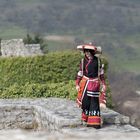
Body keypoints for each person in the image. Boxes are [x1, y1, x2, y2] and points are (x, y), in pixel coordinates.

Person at [75, 43, 106, 129]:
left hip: (94, 84)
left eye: (89, 51)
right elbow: (80, 73)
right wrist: (77, 83)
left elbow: (101, 74)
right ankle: (85, 118)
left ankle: (94, 123)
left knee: (94, 103)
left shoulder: (98, 61)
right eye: (86, 51)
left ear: (92, 52)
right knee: (85, 102)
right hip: (85, 83)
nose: (87, 53)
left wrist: (103, 84)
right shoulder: (82, 61)